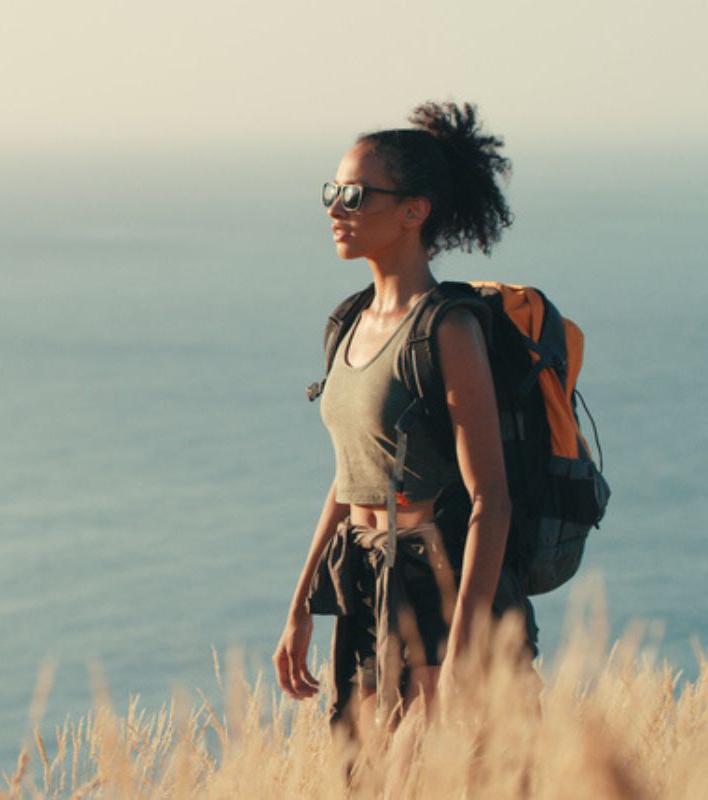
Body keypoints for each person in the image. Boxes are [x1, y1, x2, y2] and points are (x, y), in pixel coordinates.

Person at [271, 101, 536, 738]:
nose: (337, 207)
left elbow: (490, 500)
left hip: (434, 586)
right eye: (333, 190)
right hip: (361, 583)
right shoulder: (348, 323)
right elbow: (350, 478)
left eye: (357, 195)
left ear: (414, 212)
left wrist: (466, 644)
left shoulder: (448, 329)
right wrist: (302, 606)